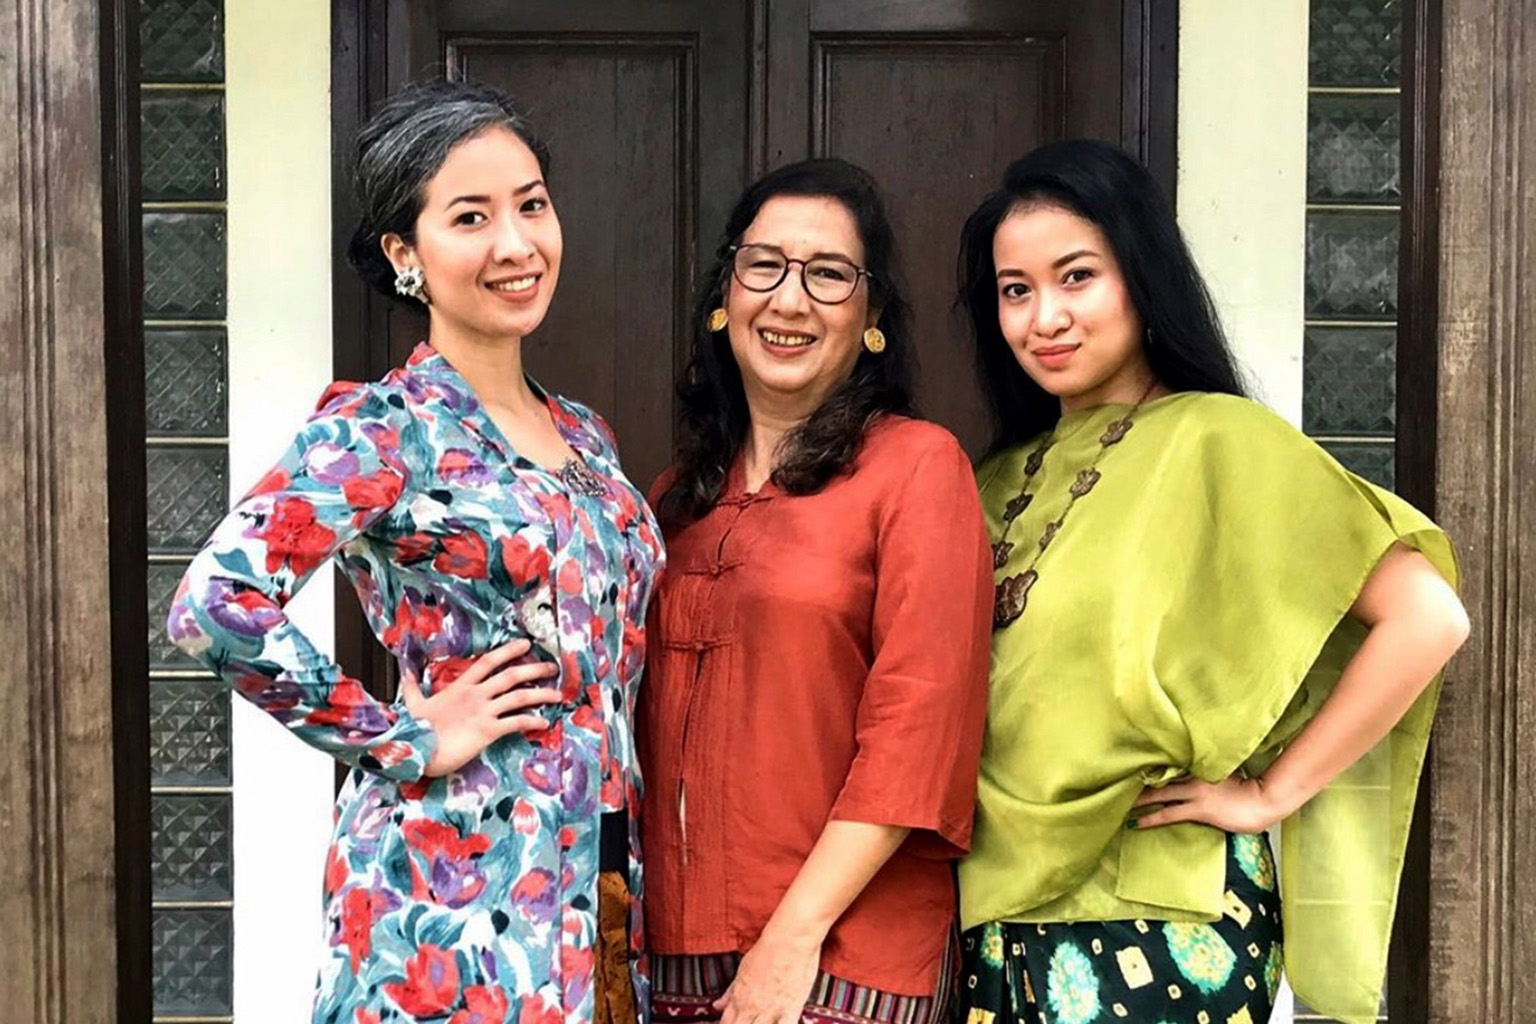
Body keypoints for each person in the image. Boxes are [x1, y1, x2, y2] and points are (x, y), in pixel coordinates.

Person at [168, 79, 663, 1024]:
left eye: (532, 205)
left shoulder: (588, 439)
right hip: (446, 890)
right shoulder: (383, 428)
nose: (516, 245)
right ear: (406, 252)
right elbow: (216, 604)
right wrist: (405, 737)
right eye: (470, 216)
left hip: (594, 892)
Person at [953, 138, 1469, 1024]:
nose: (1044, 317)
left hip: (1156, 916)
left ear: (1142, 279)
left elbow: (1427, 615)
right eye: (1015, 290)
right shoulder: (993, 477)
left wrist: (1274, 792)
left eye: (1077, 277)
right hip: (993, 919)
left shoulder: (1223, 440)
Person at [637, 158, 993, 1024]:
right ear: (725, 295)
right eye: (764, 266)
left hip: (841, 959)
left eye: (829, 275)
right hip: (672, 952)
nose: (789, 301)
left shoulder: (915, 468)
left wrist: (791, 939)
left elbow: (920, 732)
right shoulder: (669, 499)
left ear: (871, 319)